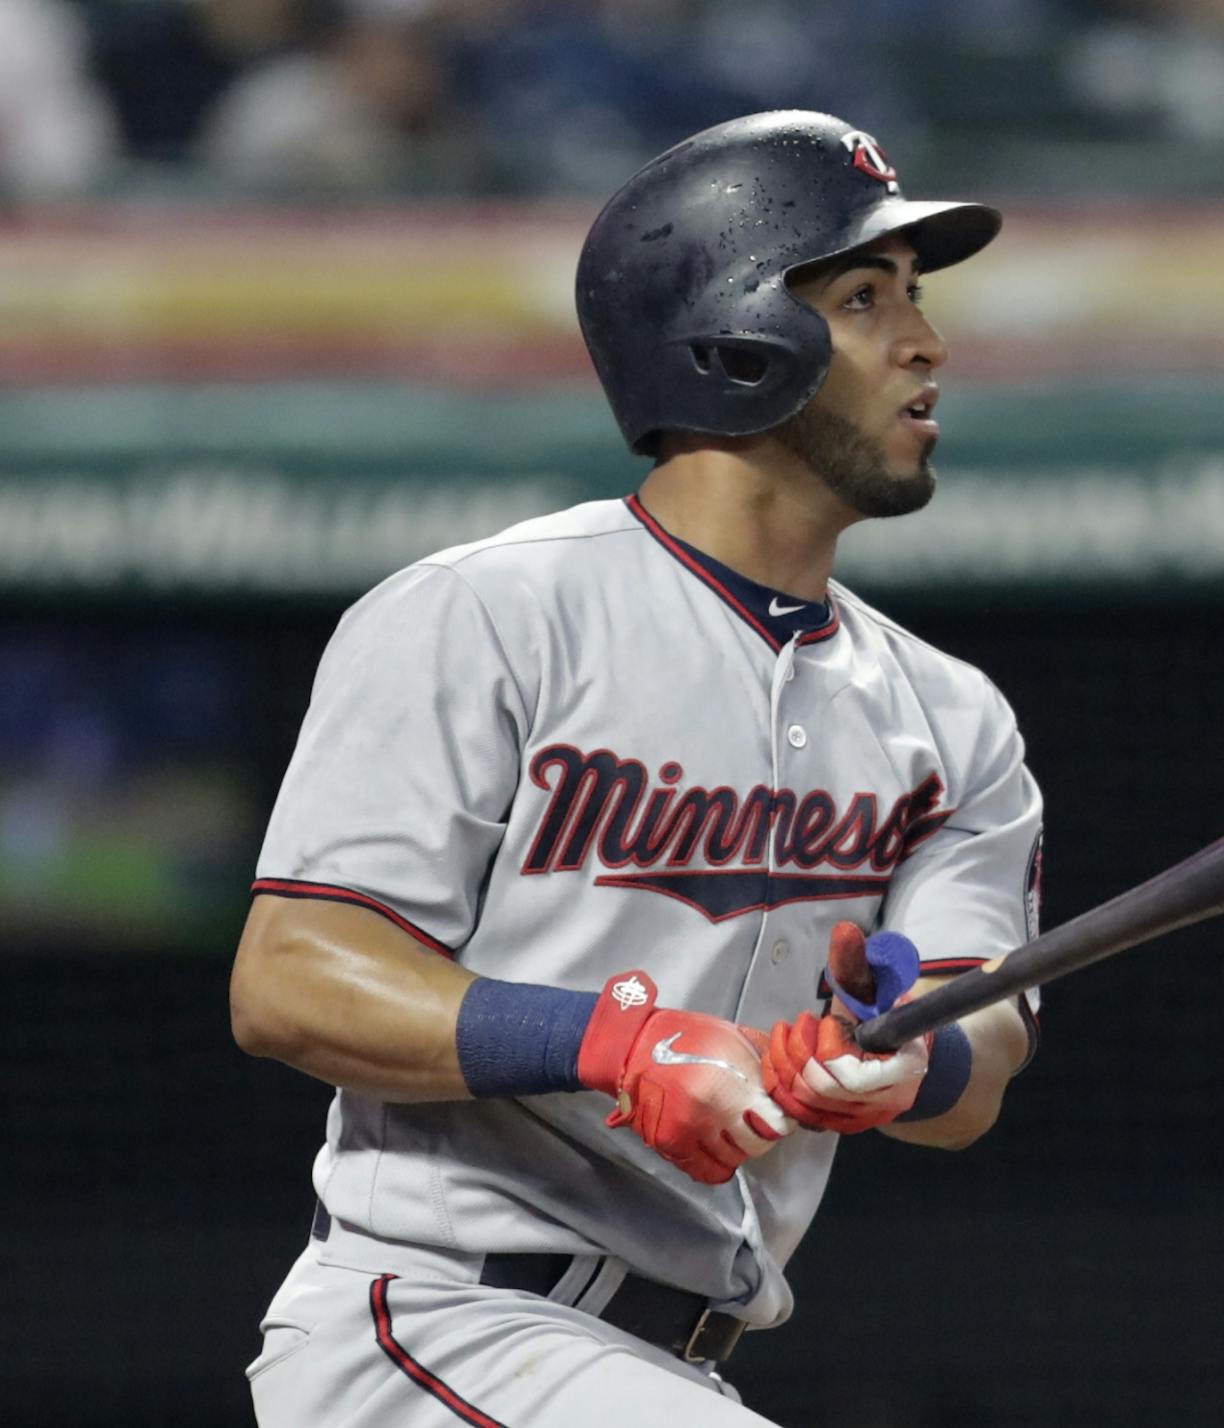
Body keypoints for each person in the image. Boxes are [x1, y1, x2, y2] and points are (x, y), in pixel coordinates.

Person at [229, 109, 1044, 1426]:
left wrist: (907, 1064)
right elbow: (292, 979)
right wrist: (618, 1042)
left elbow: (978, 1056)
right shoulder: (486, 613)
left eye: (916, 297)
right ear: (735, 337)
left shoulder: (952, 718)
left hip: (672, 1357)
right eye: (862, 296)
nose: (926, 341)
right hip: (439, 1325)